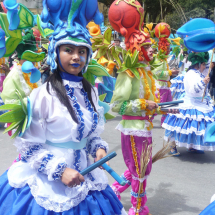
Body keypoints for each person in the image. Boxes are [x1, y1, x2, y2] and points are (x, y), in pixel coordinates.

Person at [0, 1, 127, 215]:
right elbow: (30, 147)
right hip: (48, 180)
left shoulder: (91, 92)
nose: (76, 56)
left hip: (87, 175)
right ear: (55, 53)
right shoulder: (43, 94)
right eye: (68, 50)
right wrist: (60, 171)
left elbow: (91, 134)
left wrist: (98, 149)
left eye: (82, 51)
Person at [162, 52, 215, 154]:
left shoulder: (199, 73)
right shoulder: (191, 74)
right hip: (191, 103)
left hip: (201, 103)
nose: (205, 66)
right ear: (198, 64)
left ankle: (192, 146)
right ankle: (171, 146)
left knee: (197, 127)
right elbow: (192, 90)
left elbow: (209, 68)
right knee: (180, 126)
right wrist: (203, 82)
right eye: (203, 64)